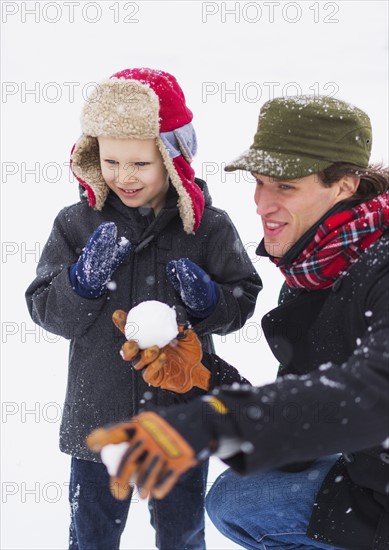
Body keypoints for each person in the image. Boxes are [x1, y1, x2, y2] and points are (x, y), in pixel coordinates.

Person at [86, 95, 389, 550]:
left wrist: (209, 424)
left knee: (245, 501)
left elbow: (376, 395)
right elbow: (305, 426)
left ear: (344, 185)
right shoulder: (317, 270)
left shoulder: (380, 268)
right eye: (260, 182)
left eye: (284, 187)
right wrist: (203, 379)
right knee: (241, 495)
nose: (261, 203)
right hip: (373, 471)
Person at [25, 67, 262, 550]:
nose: (124, 177)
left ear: (174, 161)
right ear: (92, 156)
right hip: (99, 418)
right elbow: (45, 309)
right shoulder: (76, 224)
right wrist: (80, 283)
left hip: (181, 417)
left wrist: (210, 301)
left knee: (181, 534)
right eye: (111, 161)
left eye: (140, 164)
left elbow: (243, 300)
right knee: (91, 534)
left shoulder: (208, 227)